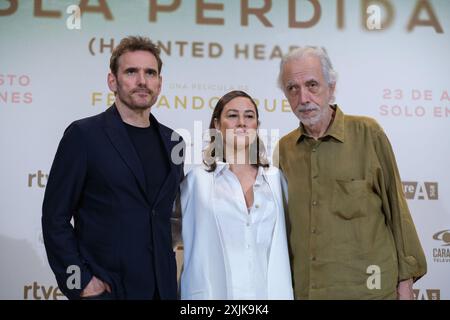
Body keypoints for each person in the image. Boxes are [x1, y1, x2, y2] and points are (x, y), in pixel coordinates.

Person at [275, 46, 427, 299]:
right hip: (308, 291)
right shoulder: (285, 149)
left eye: (312, 85)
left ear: (331, 88)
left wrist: (406, 281)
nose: (303, 98)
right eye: (292, 88)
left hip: (370, 290)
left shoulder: (369, 133)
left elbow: (396, 209)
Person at [42, 36, 184, 300]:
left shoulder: (174, 141)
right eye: (131, 71)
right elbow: (54, 219)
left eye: (150, 73)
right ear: (112, 81)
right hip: (107, 290)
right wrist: (81, 282)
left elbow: (172, 218)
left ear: (159, 83)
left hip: (163, 291)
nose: (142, 81)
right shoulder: (83, 135)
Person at [178, 90, 293, 300]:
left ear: (257, 125)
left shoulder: (277, 179)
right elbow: (167, 233)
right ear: (216, 125)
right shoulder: (196, 181)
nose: (242, 122)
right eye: (232, 115)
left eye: (249, 116)